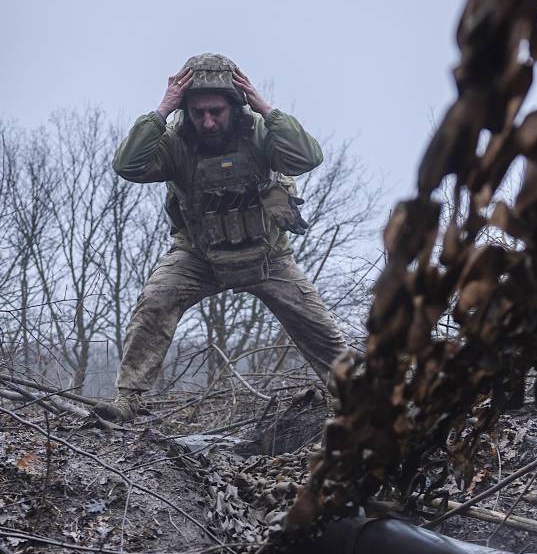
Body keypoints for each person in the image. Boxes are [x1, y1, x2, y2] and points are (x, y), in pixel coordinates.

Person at [92, 53, 349, 421]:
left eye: (216, 111)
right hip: (198, 257)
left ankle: (353, 399)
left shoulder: (259, 133)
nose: (208, 122)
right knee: (155, 300)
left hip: (268, 256)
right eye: (198, 113)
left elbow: (307, 157)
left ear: (235, 105)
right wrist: (162, 111)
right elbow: (127, 165)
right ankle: (127, 400)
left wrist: (265, 108)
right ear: (186, 111)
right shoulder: (176, 143)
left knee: (318, 327)